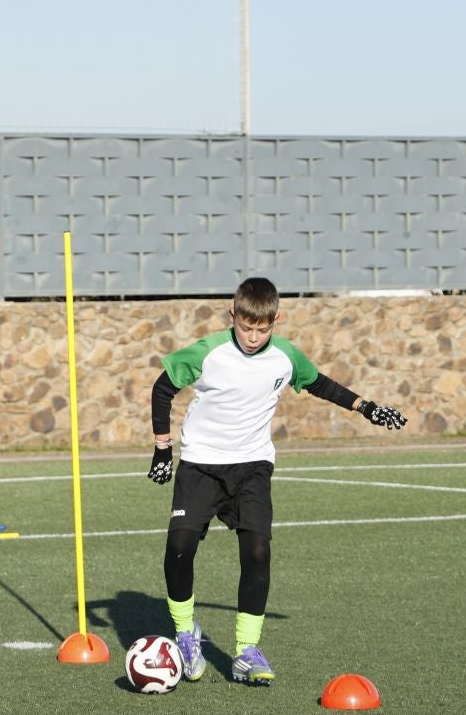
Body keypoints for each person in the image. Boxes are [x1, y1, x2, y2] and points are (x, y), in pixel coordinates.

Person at [147, 277, 406, 684]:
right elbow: (163, 389)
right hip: (200, 462)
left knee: (257, 551)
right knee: (179, 548)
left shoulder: (284, 357)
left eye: (262, 329)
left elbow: (318, 383)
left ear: (276, 321)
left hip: (252, 466)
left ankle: (247, 650)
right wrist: (163, 448)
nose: (252, 337)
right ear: (232, 316)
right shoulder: (209, 351)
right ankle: (185, 633)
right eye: (245, 327)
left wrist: (366, 407)